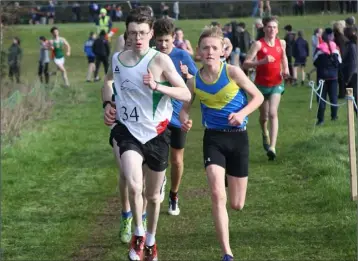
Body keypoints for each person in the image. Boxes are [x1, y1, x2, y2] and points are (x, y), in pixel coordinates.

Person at [102, 11, 191, 261]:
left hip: (157, 134)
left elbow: (185, 94)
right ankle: (138, 234)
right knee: (133, 182)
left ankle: (151, 240)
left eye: (143, 32)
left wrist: (157, 86)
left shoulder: (160, 60)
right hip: (128, 131)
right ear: (127, 34)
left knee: (153, 196)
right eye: (133, 32)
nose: (138, 37)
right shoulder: (117, 59)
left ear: (151, 34)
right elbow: (108, 83)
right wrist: (108, 105)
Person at [179, 25, 264, 261]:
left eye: (214, 47)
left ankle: (228, 176)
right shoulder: (194, 81)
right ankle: (227, 252)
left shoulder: (233, 72)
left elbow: (258, 97)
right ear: (198, 51)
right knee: (217, 194)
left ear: (222, 51)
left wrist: (242, 113)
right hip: (214, 138)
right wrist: (184, 120)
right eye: (205, 47)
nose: (209, 51)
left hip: (238, 138)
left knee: (237, 204)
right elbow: (184, 109)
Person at [153, 18, 198, 216]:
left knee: (177, 160)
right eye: (160, 40)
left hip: (177, 116)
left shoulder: (183, 56)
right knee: (157, 157)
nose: (163, 45)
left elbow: (196, 85)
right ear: (154, 39)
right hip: (155, 115)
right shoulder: (150, 56)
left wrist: (188, 77)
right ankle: (159, 180)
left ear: (174, 38)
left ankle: (174, 195)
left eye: (167, 41)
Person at [243, 16, 289, 160]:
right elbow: (246, 63)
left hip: (276, 83)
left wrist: (286, 69)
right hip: (261, 85)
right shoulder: (258, 44)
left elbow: (283, 57)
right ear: (264, 29)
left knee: (273, 113)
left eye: (274, 27)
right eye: (269, 27)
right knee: (263, 117)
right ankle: (265, 133)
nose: (272, 30)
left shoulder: (281, 43)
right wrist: (262, 61)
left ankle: (272, 147)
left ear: (277, 30)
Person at [313, 28, 342, 125]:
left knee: (321, 98)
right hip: (333, 77)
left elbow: (314, 61)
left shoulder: (319, 48)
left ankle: (321, 119)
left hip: (322, 77)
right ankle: (334, 116)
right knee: (333, 97)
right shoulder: (336, 48)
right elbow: (339, 62)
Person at [343, 27, 358, 114]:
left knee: (353, 98)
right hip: (352, 74)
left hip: (353, 75)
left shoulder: (351, 46)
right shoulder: (350, 45)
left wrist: (348, 78)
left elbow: (353, 62)